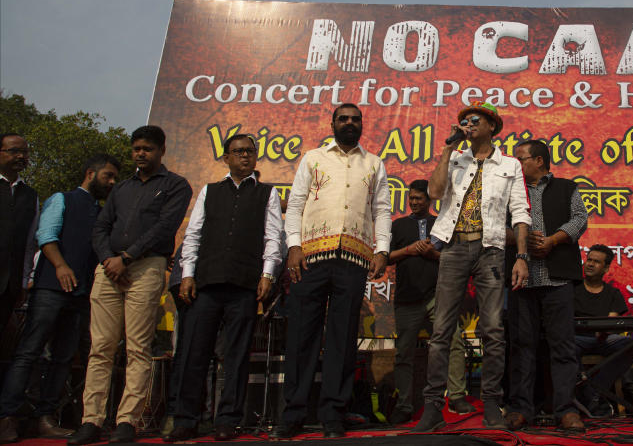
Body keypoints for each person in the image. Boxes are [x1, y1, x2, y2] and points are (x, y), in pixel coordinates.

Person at [270, 104, 391, 440]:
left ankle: (333, 413)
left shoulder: (374, 163)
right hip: (311, 257)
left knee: (343, 338)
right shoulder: (313, 158)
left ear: (362, 125)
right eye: (343, 119)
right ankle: (293, 413)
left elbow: (381, 210)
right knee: (301, 337)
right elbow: (294, 205)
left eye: (355, 119)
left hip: (354, 259)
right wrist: (293, 246)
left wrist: (382, 248)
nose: (350, 123)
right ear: (333, 123)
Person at [69, 126, 192, 445]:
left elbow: (165, 226)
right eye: (136, 148)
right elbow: (101, 227)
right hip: (109, 270)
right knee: (100, 348)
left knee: (138, 347)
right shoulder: (121, 188)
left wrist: (127, 256)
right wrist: (110, 259)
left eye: (147, 149)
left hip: (147, 266)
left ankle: (127, 420)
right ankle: (91, 420)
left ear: (162, 150)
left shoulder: (176, 185)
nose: (141, 154)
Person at [413, 101, 531, 432]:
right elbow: (434, 193)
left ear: (492, 126)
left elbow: (521, 212)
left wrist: (521, 257)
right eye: (465, 120)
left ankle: (492, 402)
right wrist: (448, 148)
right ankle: (434, 405)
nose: (469, 123)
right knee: (441, 331)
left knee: (492, 329)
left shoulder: (509, 164)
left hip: (490, 250)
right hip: (453, 248)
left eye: (475, 119)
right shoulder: (455, 159)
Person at [164, 134, 282, 442]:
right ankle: (187, 420)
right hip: (206, 283)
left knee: (237, 355)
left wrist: (267, 274)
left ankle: (227, 419)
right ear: (226, 158)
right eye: (238, 152)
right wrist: (187, 274)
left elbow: (273, 238)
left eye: (249, 152)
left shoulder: (267, 194)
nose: (245, 156)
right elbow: (194, 235)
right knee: (194, 352)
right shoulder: (210, 191)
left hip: (244, 285)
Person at [0, 154, 120, 442]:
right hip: (50, 288)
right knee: (30, 351)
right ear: (91, 174)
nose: (112, 182)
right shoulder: (62, 199)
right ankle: (8, 416)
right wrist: (60, 266)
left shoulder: (102, 211)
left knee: (63, 357)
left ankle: (45, 416)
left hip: (80, 293)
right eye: (109, 176)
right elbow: (46, 236)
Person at [504, 140, 587, 432]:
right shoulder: (510, 190)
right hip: (521, 279)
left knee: (563, 346)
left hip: (558, 278)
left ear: (539, 161)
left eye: (521, 158)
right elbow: (495, 226)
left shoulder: (567, 187)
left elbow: (580, 218)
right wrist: (523, 241)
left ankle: (565, 409)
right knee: (521, 346)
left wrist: (553, 240)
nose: (516, 163)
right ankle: (520, 407)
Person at [388, 179, 474, 425]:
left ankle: (457, 396)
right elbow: (386, 258)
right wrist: (409, 250)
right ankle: (404, 404)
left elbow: (456, 260)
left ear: (430, 200)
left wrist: (432, 254)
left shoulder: (442, 224)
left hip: (438, 296)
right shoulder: (399, 225)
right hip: (407, 298)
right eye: (411, 198)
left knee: (454, 342)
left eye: (419, 198)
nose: (414, 202)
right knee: (404, 352)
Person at [573, 244, 633, 418]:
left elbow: (611, 323)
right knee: (563, 343)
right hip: (576, 339)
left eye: (596, 262)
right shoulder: (572, 289)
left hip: (602, 340)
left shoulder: (613, 294)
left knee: (631, 345)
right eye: (589, 260)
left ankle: (593, 390)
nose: (590, 264)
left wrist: (603, 330)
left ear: (606, 268)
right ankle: (589, 395)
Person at [0, 133, 38, 337]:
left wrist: (23, 282)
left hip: (9, 285)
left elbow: (29, 243)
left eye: (25, 152)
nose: (21, 156)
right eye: (14, 151)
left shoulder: (30, 195)